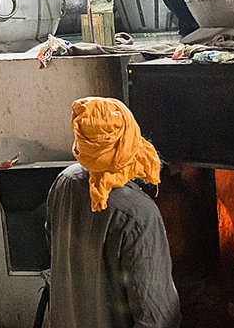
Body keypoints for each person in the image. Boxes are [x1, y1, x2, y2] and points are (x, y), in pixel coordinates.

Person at [45, 97, 180, 328]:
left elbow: (51, 241)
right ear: (129, 140)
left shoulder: (65, 181)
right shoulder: (138, 214)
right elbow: (156, 316)